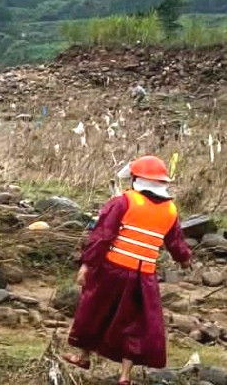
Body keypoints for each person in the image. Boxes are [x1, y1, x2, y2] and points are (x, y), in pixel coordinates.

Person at [63, 156, 192, 384]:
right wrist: (184, 261)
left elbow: (102, 236)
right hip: (144, 278)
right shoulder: (170, 210)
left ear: (136, 180)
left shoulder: (123, 202)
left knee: (95, 311)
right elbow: (177, 244)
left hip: (113, 270)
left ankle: (83, 356)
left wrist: (87, 264)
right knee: (135, 325)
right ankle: (125, 376)